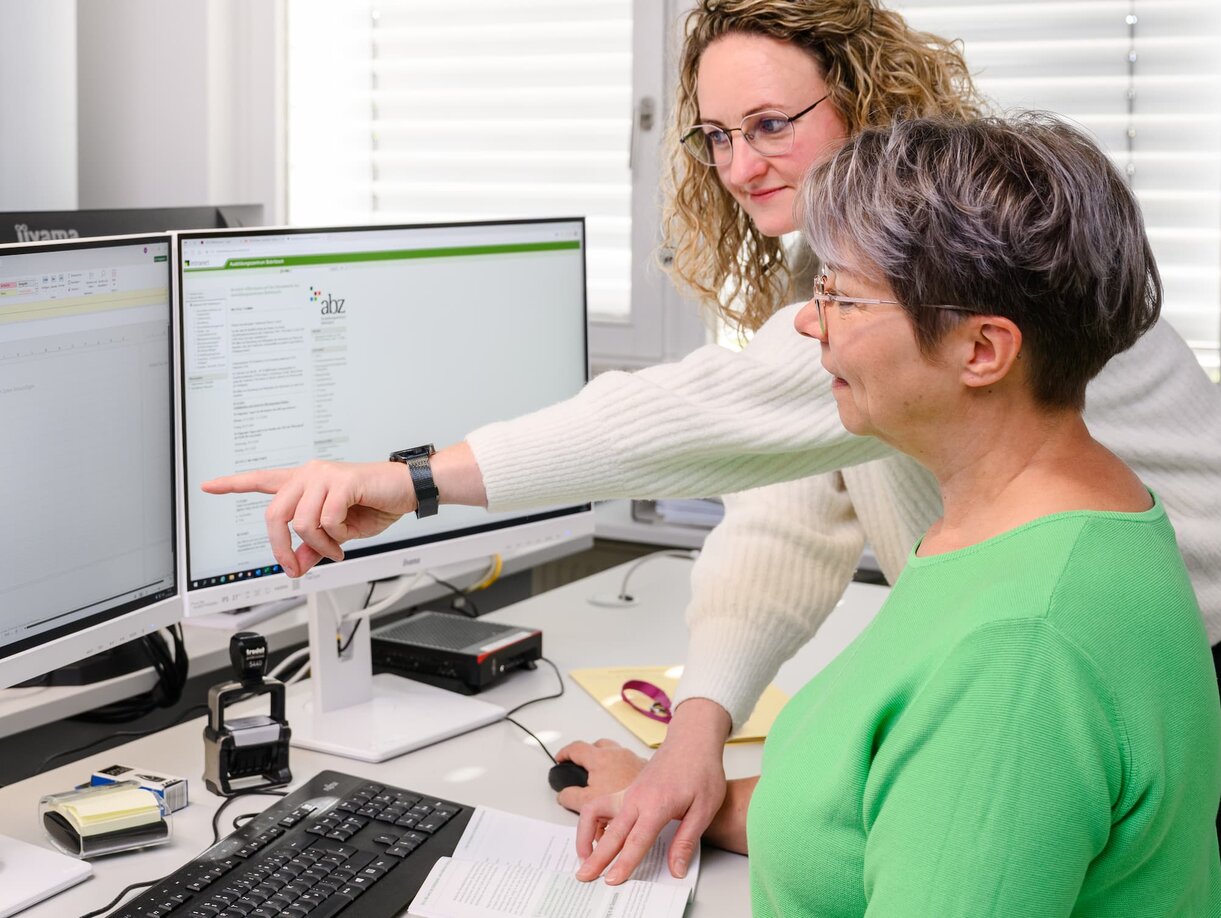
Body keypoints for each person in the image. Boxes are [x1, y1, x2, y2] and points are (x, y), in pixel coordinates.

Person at [204, 0, 1221, 883]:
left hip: (1132, 655)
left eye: (772, 124)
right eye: (716, 136)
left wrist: (410, 480)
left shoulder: (956, 264)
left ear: (863, 102)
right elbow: (785, 518)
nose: (740, 165)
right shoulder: (847, 284)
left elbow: (698, 414)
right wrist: (696, 738)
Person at [567, 113, 1221, 914]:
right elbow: (924, 812)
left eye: (842, 297)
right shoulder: (1065, 521)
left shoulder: (1019, 651)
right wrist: (680, 795)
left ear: (981, 351)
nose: (810, 322)